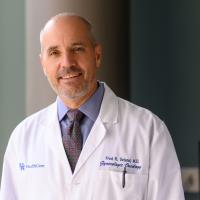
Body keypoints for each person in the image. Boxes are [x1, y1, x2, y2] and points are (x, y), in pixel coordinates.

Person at [0, 12, 185, 200]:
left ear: (97, 55)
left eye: (77, 49)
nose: (67, 63)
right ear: (43, 64)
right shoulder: (22, 138)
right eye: (54, 53)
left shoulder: (148, 131)